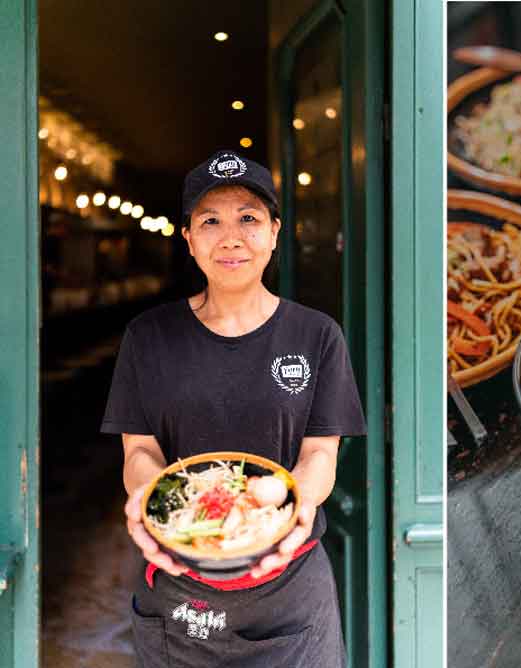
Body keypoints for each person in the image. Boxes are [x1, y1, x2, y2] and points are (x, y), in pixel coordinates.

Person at [101, 149, 366, 667]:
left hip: (288, 590)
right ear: (189, 240)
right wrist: (159, 503)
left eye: (248, 218)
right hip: (182, 590)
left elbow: (320, 456)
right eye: (210, 221)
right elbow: (139, 452)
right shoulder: (148, 337)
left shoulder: (317, 335)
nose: (231, 236)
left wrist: (289, 507)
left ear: (273, 231)